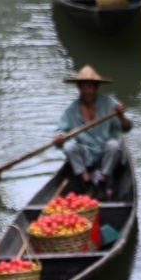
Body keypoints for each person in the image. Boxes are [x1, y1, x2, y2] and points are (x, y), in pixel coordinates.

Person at [52, 65, 132, 199]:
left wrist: (121, 116)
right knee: (69, 146)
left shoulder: (109, 103)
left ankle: (102, 182)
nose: (87, 90)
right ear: (79, 88)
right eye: (83, 86)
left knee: (114, 145)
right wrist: (59, 138)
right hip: (86, 154)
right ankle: (87, 182)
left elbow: (126, 127)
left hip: (106, 153)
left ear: (96, 87)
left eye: (90, 86)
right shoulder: (71, 110)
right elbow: (60, 133)